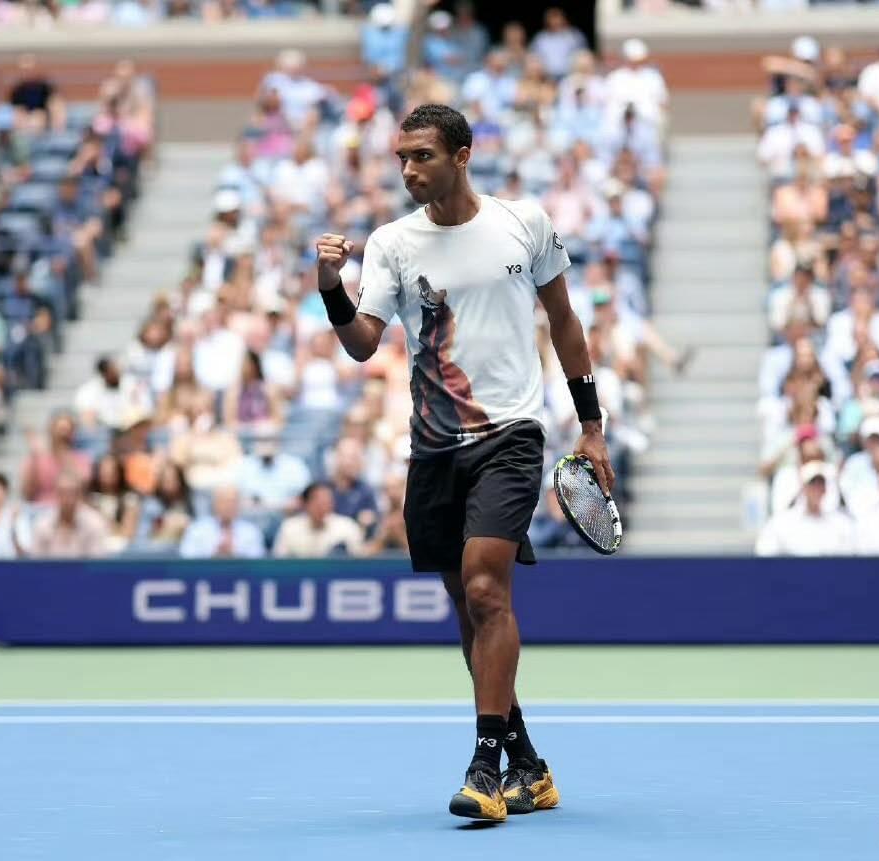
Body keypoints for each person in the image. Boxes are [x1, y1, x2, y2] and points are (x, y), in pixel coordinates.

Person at [313, 104, 613, 821]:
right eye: (402, 158)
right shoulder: (391, 243)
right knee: (469, 608)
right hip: (433, 445)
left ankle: (485, 767)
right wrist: (330, 287)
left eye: (422, 155)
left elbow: (565, 322)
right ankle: (529, 764)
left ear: (462, 155)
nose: (408, 169)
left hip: (511, 433)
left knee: (485, 589)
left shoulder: (524, 223)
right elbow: (362, 343)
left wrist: (591, 425)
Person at [273, 481, 365, 558]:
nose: (323, 508)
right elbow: (279, 561)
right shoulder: (289, 527)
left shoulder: (347, 527)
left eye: (327, 503)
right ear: (305, 504)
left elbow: (358, 560)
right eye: (318, 503)